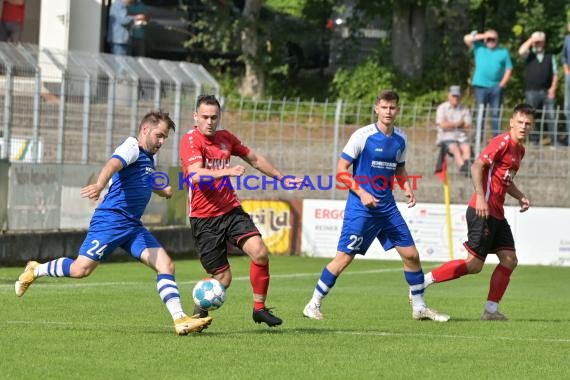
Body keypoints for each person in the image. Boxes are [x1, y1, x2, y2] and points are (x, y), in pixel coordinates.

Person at [14, 111, 212, 336]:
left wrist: (161, 190)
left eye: (165, 137)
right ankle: (36, 269)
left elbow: (144, 179)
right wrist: (99, 185)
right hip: (111, 221)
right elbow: (112, 165)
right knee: (81, 270)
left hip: (132, 227)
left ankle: (180, 320)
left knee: (166, 265)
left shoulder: (148, 157)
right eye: (159, 135)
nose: (162, 141)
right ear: (145, 129)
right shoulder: (131, 147)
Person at [302, 90, 450, 322]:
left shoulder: (401, 138)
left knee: (411, 255)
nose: (388, 112)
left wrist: (406, 187)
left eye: (392, 108)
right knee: (343, 259)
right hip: (362, 208)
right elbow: (341, 170)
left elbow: (399, 168)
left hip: (387, 207)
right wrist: (361, 193)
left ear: (397, 110)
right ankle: (313, 304)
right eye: (384, 107)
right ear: (376, 108)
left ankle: (419, 307)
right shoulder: (362, 136)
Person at [179, 95, 303, 327]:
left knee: (260, 252)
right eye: (204, 117)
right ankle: (197, 315)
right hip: (204, 219)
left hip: (231, 210)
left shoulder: (226, 138)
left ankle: (259, 309)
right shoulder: (190, 141)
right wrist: (226, 172)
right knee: (223, 279)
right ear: (195, 116)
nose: (209, 122)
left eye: (214, 117)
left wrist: (281, 178)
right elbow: (195, 174)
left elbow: (254, 159)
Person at [422, 103, 534, 321]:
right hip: (482, 209)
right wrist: (481, 198)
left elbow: (505, 180)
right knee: (473, 265)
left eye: (527, 124)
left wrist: (520, 195)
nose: (523, 126)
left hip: (497, 213)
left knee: (509, 259)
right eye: (519, 122)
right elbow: (476, 166)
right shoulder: (501, 142)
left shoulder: (520, 150)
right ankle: (422, 282)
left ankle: (490, 311)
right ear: (511, 122)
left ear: (532, 126)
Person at [464, 29, 513, 139]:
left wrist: (501, 85)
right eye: (489, 39)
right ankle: (478, 137)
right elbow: (466, 39)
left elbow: (509, 69)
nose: (491, 41)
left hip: (496, 87)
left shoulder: (503, 52)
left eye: (493, 39)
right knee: (480, 112)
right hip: (480, 86)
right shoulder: (479, 47)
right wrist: (484, 35)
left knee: (495, 113)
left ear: (497, 40)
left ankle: (496, 137)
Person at [518, 31, 557, 146]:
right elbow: (520, 51)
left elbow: (555, 74)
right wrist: (532, 40)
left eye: (541, 42)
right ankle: (534, 141)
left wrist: (553, 89)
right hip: (531, 91)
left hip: (547, 92)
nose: (538, 44)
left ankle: (554, 141)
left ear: (544, 43)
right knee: (531, 116)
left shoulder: (550, 56)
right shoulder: (528, 55)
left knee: (551, 116)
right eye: (537, 42)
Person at [435, 85, 473, 174]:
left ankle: (466, 165)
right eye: (453, 95)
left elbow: (468, 125)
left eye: (457, 96)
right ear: (449, 95)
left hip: (461, 137)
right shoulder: (442, 108)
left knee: (466, 147)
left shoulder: (464, 109)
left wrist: (449, 124)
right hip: (446, 137)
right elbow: (442, 125)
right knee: (454, 147)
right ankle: (463, 166)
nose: (455, 98)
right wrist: (458, 123)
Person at [560, 21, 570, 146]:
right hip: (569, 77)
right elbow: (563, 57)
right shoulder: (567, 39)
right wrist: (566, 70)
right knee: (567, 108)